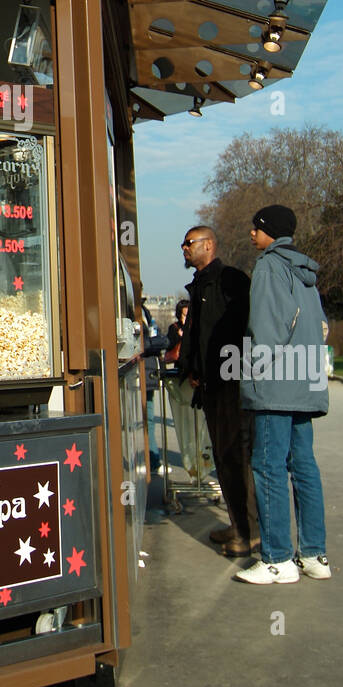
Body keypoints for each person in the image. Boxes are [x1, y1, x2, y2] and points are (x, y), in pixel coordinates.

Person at [234, 205, 331, 585]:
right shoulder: (307, 273)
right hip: (305, 382)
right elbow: (320, 327)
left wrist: (253, 375)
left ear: (269, 231)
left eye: (255, 228)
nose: (250, 234)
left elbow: (265, 327)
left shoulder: (268, 267)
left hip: (276, 384)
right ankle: (313, 554)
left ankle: (277, 559)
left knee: (269, 466)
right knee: (303, 466)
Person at [177, 226, 259, 557]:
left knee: (237, 458)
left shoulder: (230, 280)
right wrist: (194, 369)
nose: (183, 248)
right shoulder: (200, 285)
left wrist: (230, 370)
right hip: (211, 384)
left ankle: (250, 533)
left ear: (209, 245)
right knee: (224, 460)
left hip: (231, 383)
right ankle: (238, 525)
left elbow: (242, 331)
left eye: (189, 243)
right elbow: (200, 335)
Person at [163, 299, 213, 477]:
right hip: (181, 375)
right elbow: (171, 346)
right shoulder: (174, 328)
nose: (185, 316)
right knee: (187, 421)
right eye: (183, 313)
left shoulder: (196, 327)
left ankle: (204, 464)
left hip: (195, 376)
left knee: (201, 425)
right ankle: (194, 465)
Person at [140, 302, 168, 475]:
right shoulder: (141, 311)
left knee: (149, 419)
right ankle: (153, 459)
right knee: (147, 419)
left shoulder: (144, 311)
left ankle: (154, 459)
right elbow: (155, 339)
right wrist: (155, 342)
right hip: (146, 370)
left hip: (148, 371)